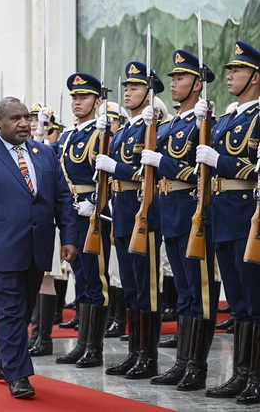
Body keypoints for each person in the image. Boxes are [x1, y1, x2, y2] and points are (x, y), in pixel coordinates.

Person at [0, 96, 77, 399]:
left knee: (23, 310)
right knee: (9, 309)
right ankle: (19, 374)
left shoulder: (44, 153)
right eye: (16, 118)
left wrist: (69, 237)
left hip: (38, 246)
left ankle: (3, 361)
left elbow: (62, 198)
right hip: (2, 247)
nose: (24, 123)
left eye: (26, 117)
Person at [141, 49, 218, 391]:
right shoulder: (171, 123)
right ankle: (182, 363)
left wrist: (205, 123)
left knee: (199, 292)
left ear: (198, 84)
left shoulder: (202, 121)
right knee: (184, 293)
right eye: (172, 78)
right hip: (169, 212)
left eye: (181, 77)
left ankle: (196, 367)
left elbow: (199, 171)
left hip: (191, 210)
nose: (173, 83)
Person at [195, 41, 260, 405]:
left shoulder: (258, 117)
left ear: (255, 77)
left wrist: (218, 160)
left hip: (247, 216)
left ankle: (256, 378)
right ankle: (241, 374)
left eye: (238, 70)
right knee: (237, 304)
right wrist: (204, 123)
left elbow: (254, 169)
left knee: (255, 300)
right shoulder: (228, 118)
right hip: (222, 215)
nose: (230, 75)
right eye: (231, 70)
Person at [96, 61, 165, 379]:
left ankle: (148, 357)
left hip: (143, 212)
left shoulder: (152, 128)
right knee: (131, 287)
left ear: (149, 94)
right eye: (126, 87)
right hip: (122, 212)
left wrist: (116, 168)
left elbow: (147, 172)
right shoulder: (124, 129)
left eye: (135, 87)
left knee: (146, 286)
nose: (127, 92)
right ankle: (134, 353)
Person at [54, 73, 112, 368]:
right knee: (81, 277)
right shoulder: (67, 137)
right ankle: (82, 344)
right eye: (75, 97)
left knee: (95, 280)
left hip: (93, 215)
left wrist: (98, 204)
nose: (77, 102)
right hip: (71, 214)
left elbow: (109, 176)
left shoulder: (101, 134)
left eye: (84, 97)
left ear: (97, 102)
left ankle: (94, 348)